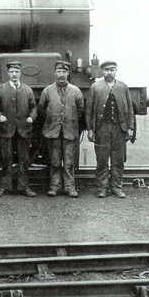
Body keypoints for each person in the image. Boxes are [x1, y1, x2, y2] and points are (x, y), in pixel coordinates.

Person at [85, 60, 135, 199]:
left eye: (112, 69)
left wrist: (130, 127)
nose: (109, 72)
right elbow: (89, 109)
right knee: (102, 159)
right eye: (106, 70)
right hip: (102, 128)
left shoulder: (123, 87)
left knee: (118, 160)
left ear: (116, 70)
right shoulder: (96, 87)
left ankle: (116, 188)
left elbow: (130, 109)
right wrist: (90, 128)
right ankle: (102, 188)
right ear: (102, 71)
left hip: (119, 128)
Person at [38, 60, 84, 198]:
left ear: (68, 73)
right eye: (59, 71)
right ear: (54, 73)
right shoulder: (47, 91)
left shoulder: (75, 91)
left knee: (69, 161)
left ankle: (70, 188)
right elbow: (41, 109)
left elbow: (80, 109)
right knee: (55, 161)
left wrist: (70, 120)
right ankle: (54, 187)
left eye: (64, 72)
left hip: (69, 131)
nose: (61, 75)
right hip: (53, 131)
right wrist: (53, 120)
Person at [0, 61, 38, 197]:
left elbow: (34, 107)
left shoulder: (27, 90)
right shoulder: (1, 89)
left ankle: (24, 187)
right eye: (11, 72)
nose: (14, 74)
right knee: (6, 158)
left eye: (16, 71)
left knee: (24, 159)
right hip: (6, 129)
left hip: (23, 129)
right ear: (8, 73)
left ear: (20, 73)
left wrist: (31, 117)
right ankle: (4, 186)